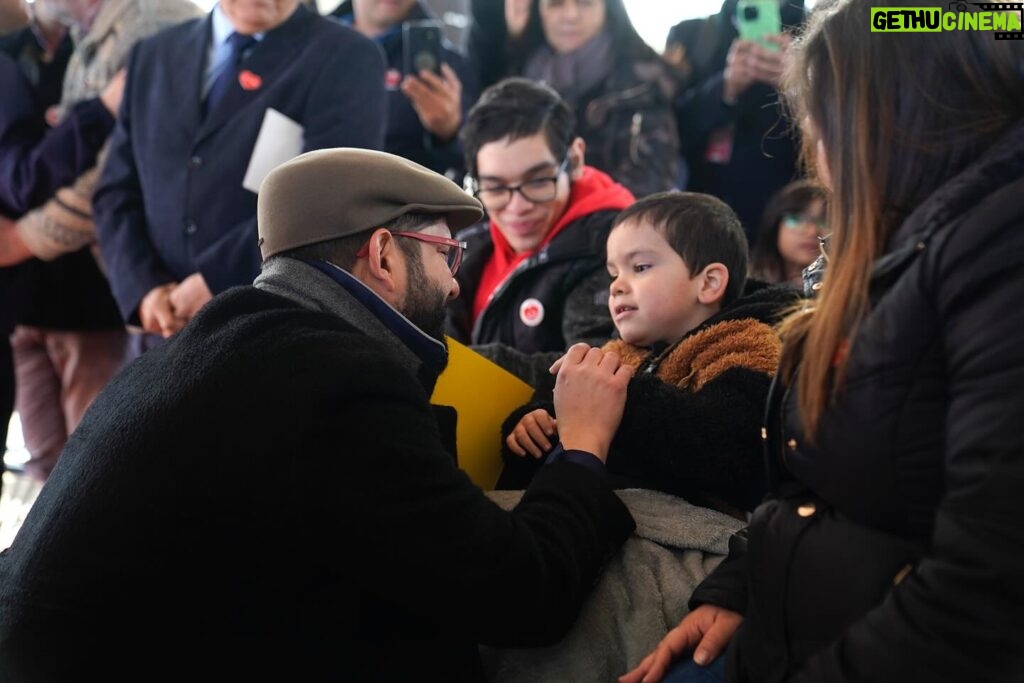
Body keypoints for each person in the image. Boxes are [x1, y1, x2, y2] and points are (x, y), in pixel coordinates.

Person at [0, 148, 638, 680]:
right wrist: (581, 448)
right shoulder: (336, 379)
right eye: (447, 256)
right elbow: (521, 595)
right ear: (384, 254)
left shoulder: (216, 347)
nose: (453, 284)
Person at [623, 1, 1024, 681]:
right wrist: (740, 589)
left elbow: (985, 587)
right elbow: (810, 479)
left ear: (889, 115)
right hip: (780, 621)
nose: (812, 145)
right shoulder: (895, 250)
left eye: (820, 115)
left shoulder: (995, 253)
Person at [93, 0, 388, 344]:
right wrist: (144, 288)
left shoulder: (347, 57)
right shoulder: (153, 55)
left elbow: (329, 195)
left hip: (267, 326)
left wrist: (216, 280)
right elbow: (116, 191)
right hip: (160, 327)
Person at [498, 191, 798, 517]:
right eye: (614, 273)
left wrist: (618, 394)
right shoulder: (621, 352)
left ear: (709, 283)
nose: (616, 286)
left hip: (701, 533)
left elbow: (729, 446)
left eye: (639, 267)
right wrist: (536, 422)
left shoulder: (745, 343)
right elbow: (560, 414)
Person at [0, 0, 200, 481]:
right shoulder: (78, 39)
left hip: (134, 293)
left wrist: (23, 240)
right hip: (54, 295)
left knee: (103, 472)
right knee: (56, 473)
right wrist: (92, 114)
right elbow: (24, 176)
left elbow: (101, 178)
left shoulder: (154, 24)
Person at [447, 77, 635, 356]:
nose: (518, 206)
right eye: (496, 187)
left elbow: (594, 364)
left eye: (537, 181)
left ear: (574, 160)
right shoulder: (465, 243)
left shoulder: (615, 250)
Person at [466, 0, 680, 197]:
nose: (570, 15)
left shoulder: (641, 89)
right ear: (538, 10)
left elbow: (646, 195)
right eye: (555, 4)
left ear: (607, 7)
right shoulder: (514, 79)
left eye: (584, 2)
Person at [665, 0, 807, 241]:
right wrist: (725, 87)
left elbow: (847, 129)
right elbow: (669, 134)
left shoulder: (824, 36)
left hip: (796, 222)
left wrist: (799, 84)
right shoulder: (693, 36)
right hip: (704, 219)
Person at [329, 0, 478, 180]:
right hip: (314, 188)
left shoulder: (446, 67)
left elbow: (479, 164)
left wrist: (451, 132)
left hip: (404, 199)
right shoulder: (312, 47)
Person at [749, 180, 827, 287]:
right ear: (775, 225)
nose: (812, 232)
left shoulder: (850, 293)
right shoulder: (747, 288)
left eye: (825, 222)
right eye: (797, 219)